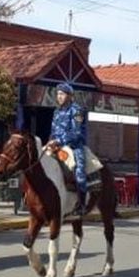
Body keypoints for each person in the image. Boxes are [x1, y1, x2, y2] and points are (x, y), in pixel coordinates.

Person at [46, 82, 89, 214]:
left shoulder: (77, 110)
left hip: (74, 146)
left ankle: (81, 204)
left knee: (80, 172)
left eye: (62, 94)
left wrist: (59, 141)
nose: (59, 96)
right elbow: (53, 131)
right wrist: (50, 142)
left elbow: (76, 133)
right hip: (56, 146)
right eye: (58, 94)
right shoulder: (57, 111)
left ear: (70, 96)